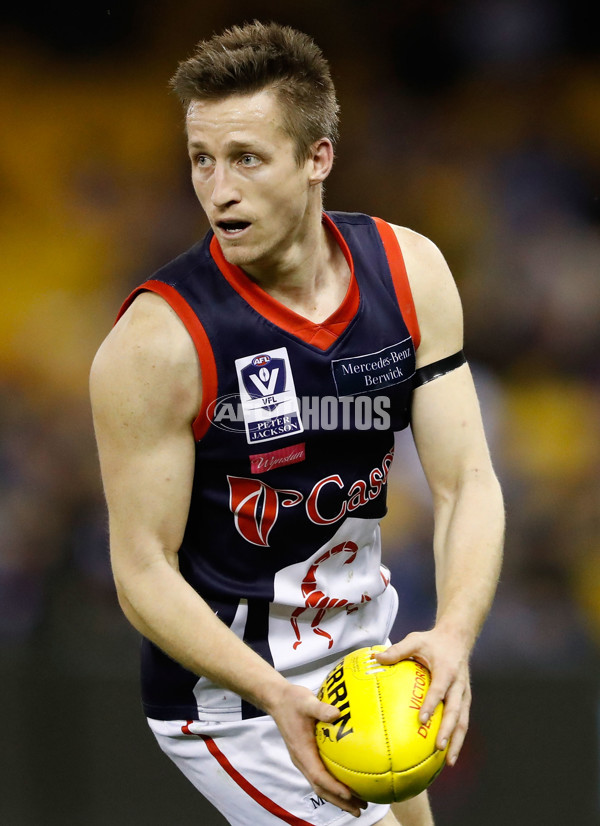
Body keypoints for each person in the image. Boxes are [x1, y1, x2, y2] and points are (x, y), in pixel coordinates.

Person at [90, 20, 504, 826]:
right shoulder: (157, 345)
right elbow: (142, 573)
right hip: (234, 699)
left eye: (247, 158)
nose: (218, 189)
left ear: (318, 158)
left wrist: (453, 633)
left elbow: (467, 485)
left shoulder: (410, 273)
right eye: (202, 161)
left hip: (363, 656)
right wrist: (274, 693)